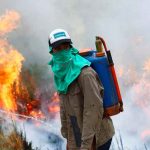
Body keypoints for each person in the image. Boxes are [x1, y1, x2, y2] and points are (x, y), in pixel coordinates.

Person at [48, 29, 115, 150]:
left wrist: (85, 145)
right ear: (52, 51)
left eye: (66, 46)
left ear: (70, 47)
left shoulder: (85, 74)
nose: (63, 51)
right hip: (77, 137)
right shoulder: (60, 74)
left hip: (97, 138)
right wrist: (68, 138)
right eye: (58, 48)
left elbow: (93, 110)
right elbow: (64, 108)